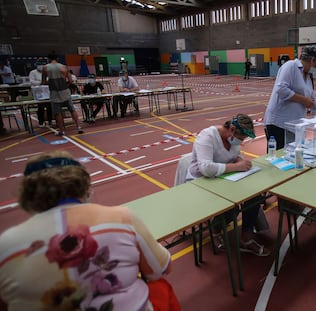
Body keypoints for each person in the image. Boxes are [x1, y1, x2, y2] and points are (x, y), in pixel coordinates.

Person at [0, 150, 182, 311]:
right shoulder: (122, 217)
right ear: (83, 185)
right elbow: (161, 269)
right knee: (160, 286)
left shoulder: (5, 244)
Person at [186, 114, 270, 257]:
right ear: (231, 129)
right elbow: (206, 168)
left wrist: (240, 160)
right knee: (231, 206)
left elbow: (235, 155)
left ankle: (247, 237)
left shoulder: (232, 140)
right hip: (200, 181)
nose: (240, 142)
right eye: (241, 138)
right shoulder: (207, 137)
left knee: (255, 195)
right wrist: (236, 166)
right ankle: (216, 230)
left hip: (222, 178)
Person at [264, 45, 316, 149]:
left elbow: (313, 100)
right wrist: (304, 100)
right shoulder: (291, 66)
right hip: (279, 123)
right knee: (278, 157)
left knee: (293, 155)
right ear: (312, 60)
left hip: (294, 125)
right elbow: (281, 89)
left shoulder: (307, 76)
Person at [42, 52, 83, 136]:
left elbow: (43, 81)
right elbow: (70, 81)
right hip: (65, 91)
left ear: (49, 59)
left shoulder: (45, 68)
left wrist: (50, 82)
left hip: (54, 92)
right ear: (57, 59)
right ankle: (78, 126)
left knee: (57, 112)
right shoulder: (63, 67)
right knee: (72, 109)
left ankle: (62, 131)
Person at [29, 58, 52, 127]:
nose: (41, 66)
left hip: (47, 92)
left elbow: (49, 80)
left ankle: (50, 121)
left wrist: (46, 82)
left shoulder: (47, 72)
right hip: (38, 93)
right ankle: (41, 122)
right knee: (40, 108)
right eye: (39, 65)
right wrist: (41, 82)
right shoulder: (33, 72)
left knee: (49, 107)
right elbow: (32, 82)